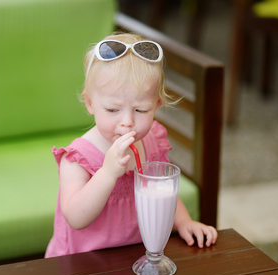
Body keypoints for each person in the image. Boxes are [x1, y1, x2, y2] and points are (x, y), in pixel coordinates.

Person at [45, 32, 217, 258]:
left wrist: (184, 222)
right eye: (113, 110)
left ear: (156, 105)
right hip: (84, 265)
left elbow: (162, 191)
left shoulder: (152, 141)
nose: (127, 122)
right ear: (90, 103)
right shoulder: (78, 158)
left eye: (141, 110)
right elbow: (75, 218)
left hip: (135, 258)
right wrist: (107, 173)